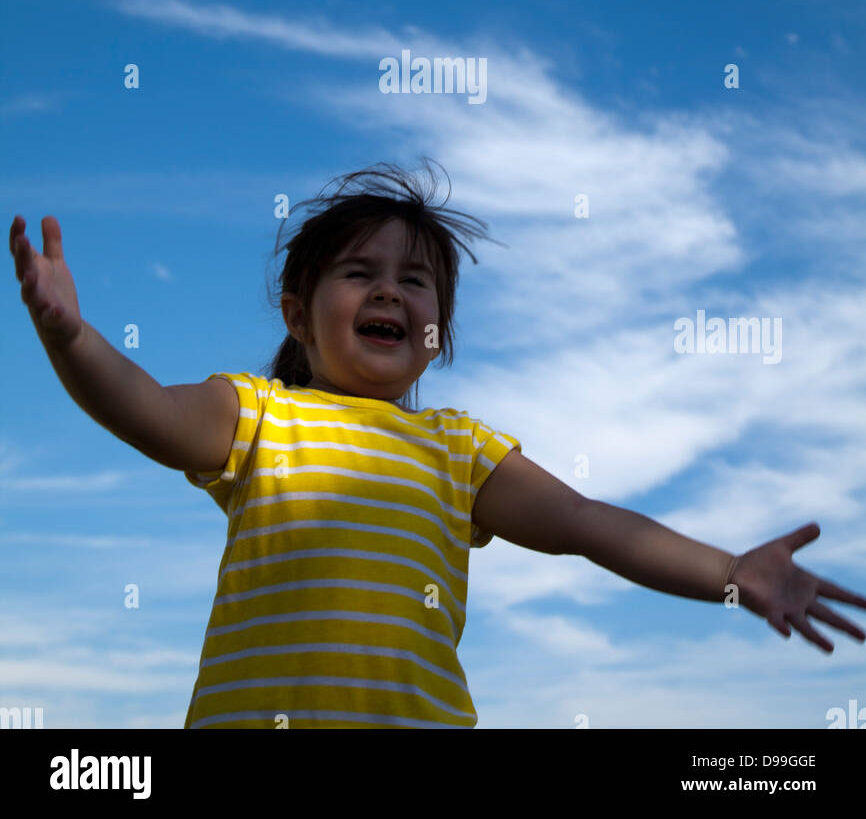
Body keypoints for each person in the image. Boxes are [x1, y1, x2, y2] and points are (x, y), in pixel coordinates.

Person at [10, 161, 866, 729]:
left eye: (414, 281)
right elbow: (148, 413)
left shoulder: (459, 450)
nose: (390, 289)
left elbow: (585, 522)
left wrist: (729, 573)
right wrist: (71, 338)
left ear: (436, 334)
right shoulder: (260, 415)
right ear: (296, 314)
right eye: (359, 272)